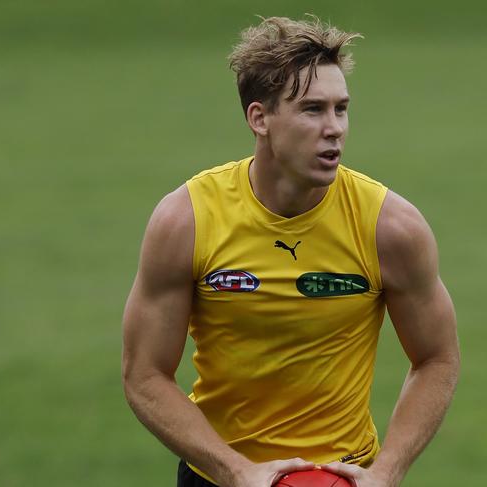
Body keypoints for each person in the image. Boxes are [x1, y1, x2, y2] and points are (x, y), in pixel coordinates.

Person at [122, 15, 460, 487]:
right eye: (312, 110)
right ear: (259, 118)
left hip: (342, 476)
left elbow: (437, 358)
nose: (334, 128)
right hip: (218, 477)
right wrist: (236, 471)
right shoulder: (188, 220)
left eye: (341, 109)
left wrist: (386, 472)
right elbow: (145, 374)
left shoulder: (390, 228)